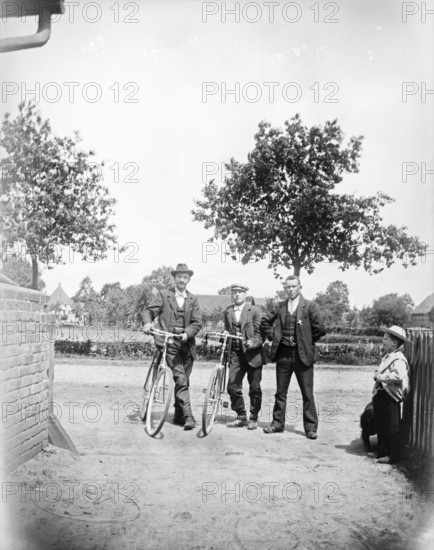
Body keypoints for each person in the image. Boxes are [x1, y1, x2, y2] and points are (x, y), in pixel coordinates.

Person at [261, 275, 326, 438]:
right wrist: (273, 336)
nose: (290, 289)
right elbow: (264, 322)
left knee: (307, 393)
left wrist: (306, 341)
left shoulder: (310, 306)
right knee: (280, 392)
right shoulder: (280, 306)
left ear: (300, 287)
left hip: (303, 355)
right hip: (283, 354)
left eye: (293, 286)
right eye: (287, 287)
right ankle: (277, 424)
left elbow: (320, 328)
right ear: (284, 289)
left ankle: (310, 428)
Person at [143, 263, 202, 430]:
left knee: (183, 381)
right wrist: (148, 324)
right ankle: (189, 416)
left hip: (187, 346)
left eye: (185, 277)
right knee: (180, 378)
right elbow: (148, 311)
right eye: (179, 277)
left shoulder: (193, 299)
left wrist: (188, 332)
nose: (182, 280)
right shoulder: (164, 295)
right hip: (169, 344)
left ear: (189, 279)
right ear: (174, 278)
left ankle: (178, 415)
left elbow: (197, 322)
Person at [224, 284, 264, 430]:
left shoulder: (254, 311)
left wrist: (253, 342)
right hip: (236, 354)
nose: (237, 295)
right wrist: (225, 333)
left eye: (240, 292)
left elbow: (261, 334)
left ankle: (253, 417)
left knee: (254, 387)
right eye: (234, 292)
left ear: (245, 294)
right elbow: (227, 329)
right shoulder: (228, 311)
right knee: (232, 386)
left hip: (253, 355)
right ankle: (241, 415)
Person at [370, 325, 410, 464]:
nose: (383, 341)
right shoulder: (388, 356)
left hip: (391, 397)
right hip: (382, 395)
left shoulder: (399, 359)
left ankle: (394, 455)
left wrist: (381, 377)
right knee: (381, 424)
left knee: (392, 427)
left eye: (386, 339)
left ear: (395, 343)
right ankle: (383, 450)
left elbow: (398, 376)